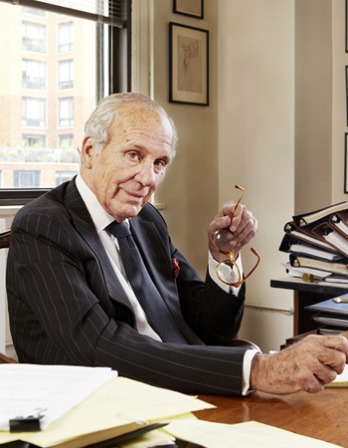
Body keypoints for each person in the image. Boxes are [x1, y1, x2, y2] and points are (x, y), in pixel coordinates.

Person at [6, 93, 348, 397]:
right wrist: (256, 369)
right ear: (90, 151)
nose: (148, 179)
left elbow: (211, 328)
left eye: (159, 163)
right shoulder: (43, 226)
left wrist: (223, 255)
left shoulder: (146, 219)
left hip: (186, 390)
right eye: (133, 154)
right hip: (103, 403)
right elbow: (96, 346)